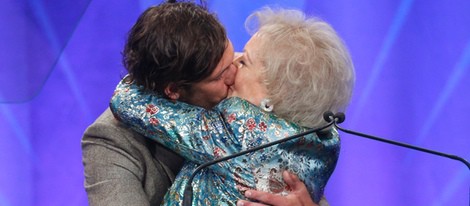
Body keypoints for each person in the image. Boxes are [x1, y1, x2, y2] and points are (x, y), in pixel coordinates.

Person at [110, 6, 354, 206]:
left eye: (244, 61)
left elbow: (125, 100)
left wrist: (149, 71)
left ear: (268, 100)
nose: (233, 65)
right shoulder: (324, 141)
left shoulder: (239, 128)